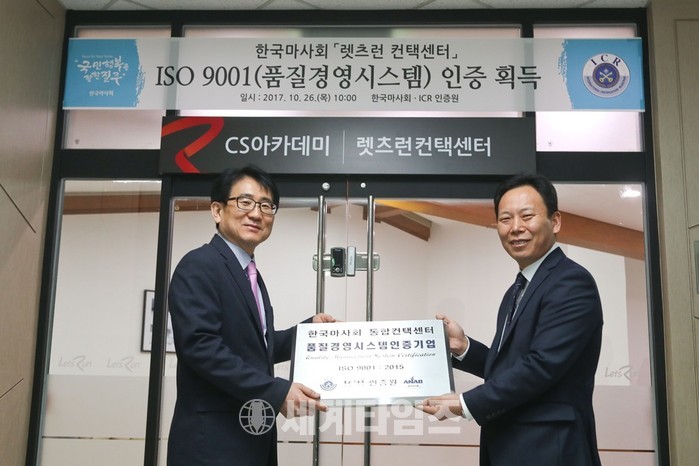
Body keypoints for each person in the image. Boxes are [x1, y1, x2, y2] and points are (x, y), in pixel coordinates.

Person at [418, 173, 603, 466]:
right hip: (511, 447)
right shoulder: (516, 290)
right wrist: (464, 347)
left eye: (527, 216)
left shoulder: (571, 281)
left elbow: (542, 366)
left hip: (551, 449)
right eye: (505, 219)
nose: (516, 228)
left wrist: (465, 403)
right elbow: (512, 366)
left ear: (555, 221)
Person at [167, 165, 336, 466]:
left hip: (250, 437)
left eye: (266, 206)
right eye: (244, 202)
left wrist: (309, 333)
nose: (256, 214)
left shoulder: (249, 274)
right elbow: (201, 347)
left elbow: (256, 347)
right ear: (217, 210)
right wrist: (277, 391)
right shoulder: (199, 264)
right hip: (213, 445)